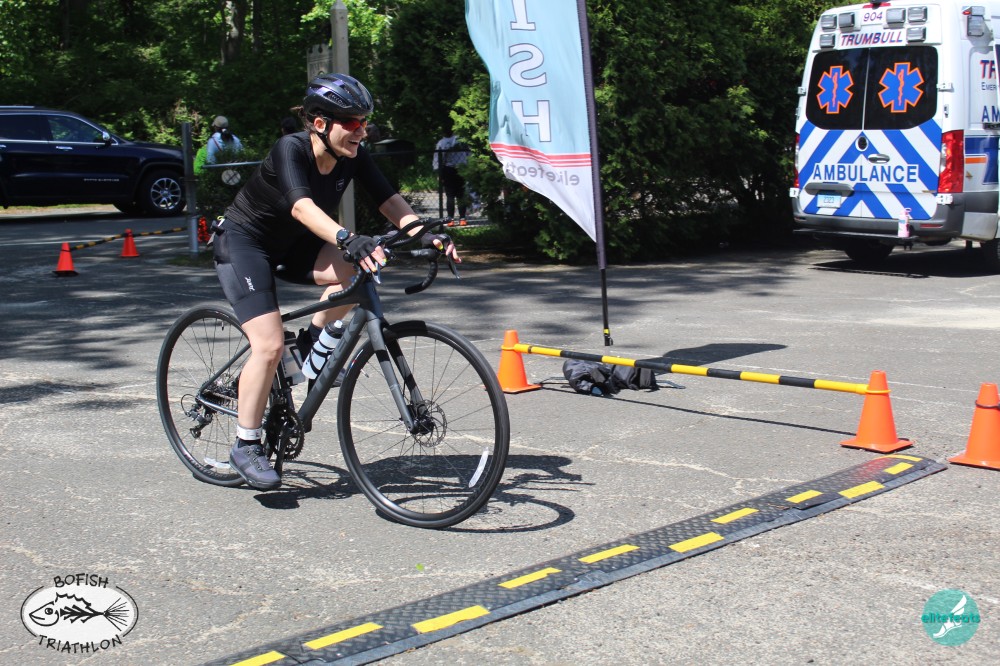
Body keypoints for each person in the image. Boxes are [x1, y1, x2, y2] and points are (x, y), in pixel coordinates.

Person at [211, 73, 459, 490]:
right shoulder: (291, 149)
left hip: (295, 246)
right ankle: (246, 444)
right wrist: (347, 237)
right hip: (245, 244)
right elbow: (301, 207)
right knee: (268, 346)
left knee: (360, 269)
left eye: (364, 122)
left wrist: (423, 233)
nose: (361, 131)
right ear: (320, 123)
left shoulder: (352, 154)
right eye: (352, 122)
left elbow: (389, 199)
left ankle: (312, 341)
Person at [432, 123, 470, 220]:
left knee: (450, 195)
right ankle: (462, 218)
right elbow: (468, 154)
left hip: (448, 170)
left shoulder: (441, 143)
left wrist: (439, 173)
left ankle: (450, 218)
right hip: (461, 169)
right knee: (461, 195)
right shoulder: (460, 140)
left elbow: (437, 160)